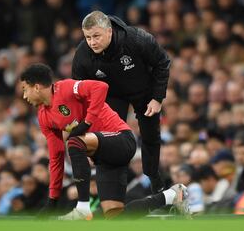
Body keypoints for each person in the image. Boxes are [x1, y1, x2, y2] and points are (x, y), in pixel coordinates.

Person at [20, 64, 188, 220]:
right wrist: (53, 200)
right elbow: (56, 157)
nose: (24, 95)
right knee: (114, 218)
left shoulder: (65, 88)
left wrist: (87, 122)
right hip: (104, 158)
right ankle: (173, 195)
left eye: (24, 89)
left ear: (36, 86)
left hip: (121, 138)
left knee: (74, 142)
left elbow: (101, 87)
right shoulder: (44, 116)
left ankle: (82, 206)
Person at [72, 10, 171, 193]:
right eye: (87, 37)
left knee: (150, 135)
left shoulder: (136, 39)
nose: (92, 42)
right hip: (111, 95)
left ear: (109, 31)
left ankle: (155, 181)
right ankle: (114, 185)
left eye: (96, 36)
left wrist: (157, 98)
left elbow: (162, 62)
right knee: (111, 138)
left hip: (143, 89)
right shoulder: (82, 55)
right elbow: (78, 90)